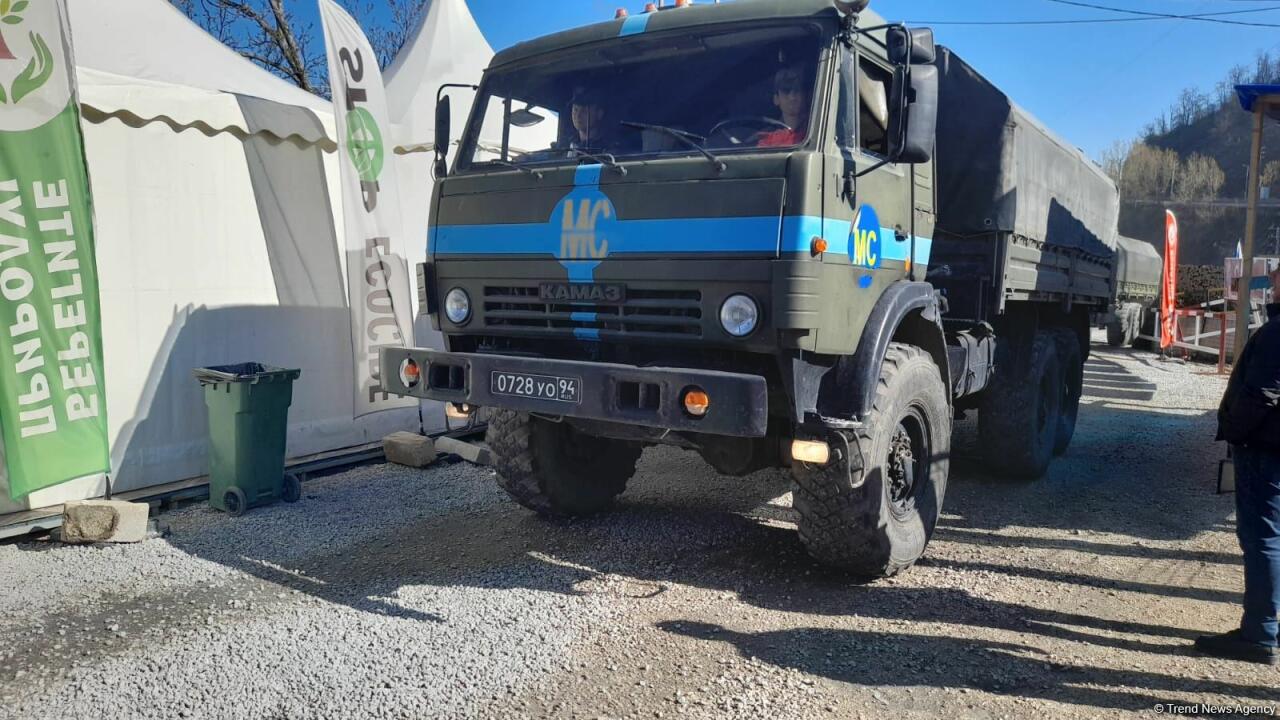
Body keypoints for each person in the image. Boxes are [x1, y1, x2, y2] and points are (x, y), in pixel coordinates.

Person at [1198, 266, 1280, 665]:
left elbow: (1264, 391)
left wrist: (1233, 429)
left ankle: (1259, 634)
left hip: (1265, 448)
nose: (1273, 283)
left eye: (1278, 278)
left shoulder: (1277, 333)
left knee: (1263, 537)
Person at [757, 65, 810, 148]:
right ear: (776, 99)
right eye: (786, 91)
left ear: (805, 96)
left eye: (797, 90)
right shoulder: (767, 138)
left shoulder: (816, 131)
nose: (792, 97)